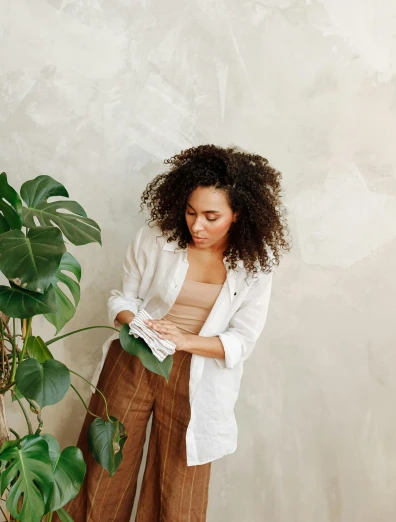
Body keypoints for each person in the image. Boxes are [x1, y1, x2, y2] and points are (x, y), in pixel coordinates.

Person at [59, 144, 291, 522]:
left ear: (237, 214)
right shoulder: (155, 239)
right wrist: (135, 322)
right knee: (104, 469)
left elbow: (242, 341)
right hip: (134, 356)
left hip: (196, 377)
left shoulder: (255, 264)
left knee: (179, 490)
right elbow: (122, 298)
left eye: (211, 216)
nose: (197, 226)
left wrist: (185, 341)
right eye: (190, 212)